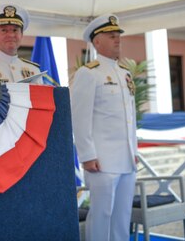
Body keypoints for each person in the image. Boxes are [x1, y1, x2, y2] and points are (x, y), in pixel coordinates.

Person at [70, 14, 137, 241]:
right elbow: (80, 118)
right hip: (102, 161)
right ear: (97, 41)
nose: (117, 39)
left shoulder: (125, 73)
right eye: (111, 36)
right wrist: (87, 156)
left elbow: (130, 118)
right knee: (102, 215)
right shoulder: (88, 73)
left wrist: (133, 151)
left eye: (118, 35)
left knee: (122, 216)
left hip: (126, 159)